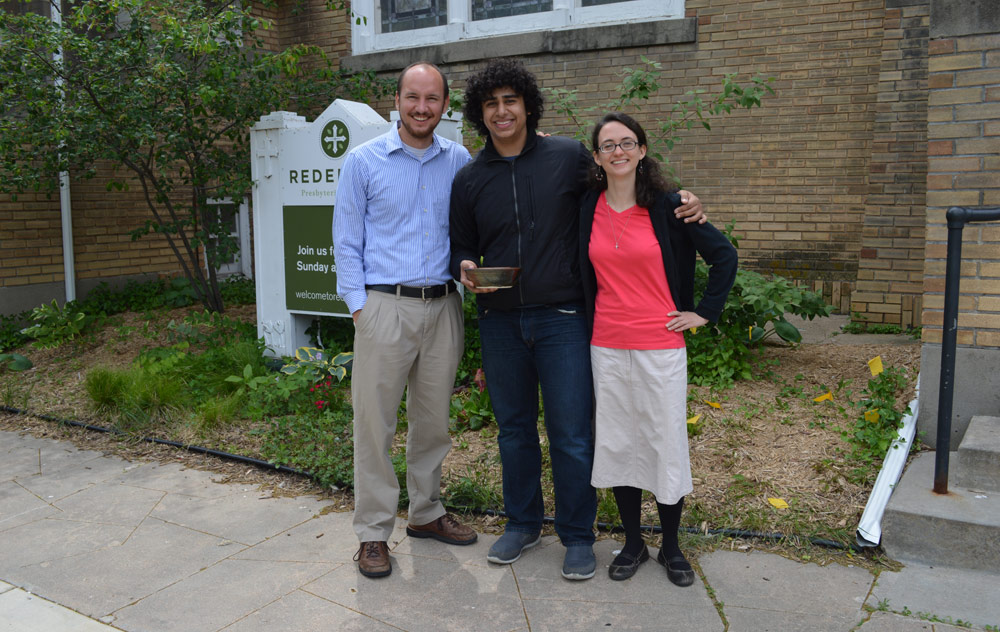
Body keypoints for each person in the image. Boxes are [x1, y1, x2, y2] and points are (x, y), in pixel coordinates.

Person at [449, 58, 705, 580]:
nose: (502, 111)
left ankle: (577, 535)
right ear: (480, 114)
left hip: (564, 318)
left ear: (527, 105)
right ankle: (521, 524)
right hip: (499, 322)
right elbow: (462, 246)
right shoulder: (470, 178)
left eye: (510, 100)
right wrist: (466, 267)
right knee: (514, 430)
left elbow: (628, 184)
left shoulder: (566, 157)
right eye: (491, 103)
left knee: (571, 433)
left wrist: (683, 201)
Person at [333, 61, 477, 579]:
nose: (422, 108)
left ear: (444, 104)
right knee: (375, 424)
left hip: (443, 306)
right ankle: (373, 533)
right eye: (412, 97)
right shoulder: (364, 162)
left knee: (433, 421)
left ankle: (426, 513)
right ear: (396, 100)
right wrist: (359, 308)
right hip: (383, 307)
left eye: (432, 99)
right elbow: (346, 243)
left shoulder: (459, 160)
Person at [579, 112, 737, 584]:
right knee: (619, 445)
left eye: (627, 143)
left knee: (664, 444)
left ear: (643, 150)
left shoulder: (671, 207)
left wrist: (704, 312)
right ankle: (633, 543)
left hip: (660, 346)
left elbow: (724, 255)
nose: (619, 152)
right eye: (608, 145)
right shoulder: (587, 206)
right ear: (597, 157)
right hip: (606, 345)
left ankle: (671, 547)